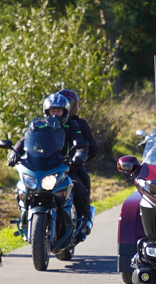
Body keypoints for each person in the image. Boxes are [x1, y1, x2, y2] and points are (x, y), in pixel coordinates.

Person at [9, 93, 94, 239]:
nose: (55, 115)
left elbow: (79, 142)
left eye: (58, 111)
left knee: (78, 188)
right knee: (21, 188)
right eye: (52, 111)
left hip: (65, 167)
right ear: (46, 112)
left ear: (65, 112)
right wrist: (14, 153)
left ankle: (84, 221)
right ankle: (24, 216)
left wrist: (79, 155)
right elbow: (24, 140)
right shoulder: (39, 125)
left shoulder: (72, 125)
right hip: (41, 167)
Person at [57, 89, 99, 239]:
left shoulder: (78, 124)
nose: (65, 108)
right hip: (49, 167)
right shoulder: (45, 125)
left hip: (71, 167)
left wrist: (82, 160)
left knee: (80, 187)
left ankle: (84, 219)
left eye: (69, 104)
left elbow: (92, 147)